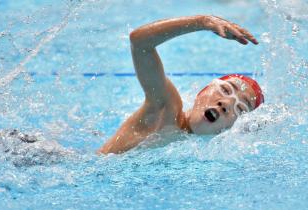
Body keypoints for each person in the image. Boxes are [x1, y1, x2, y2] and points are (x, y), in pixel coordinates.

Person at [97, 15, 264, 154]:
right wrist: (203, 22)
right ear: (202, 93)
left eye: (240, 109)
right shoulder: (166, 108)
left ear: (232, 129)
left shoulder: (200, 153)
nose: (226, 103)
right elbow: (140, 42)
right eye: (225, 90)